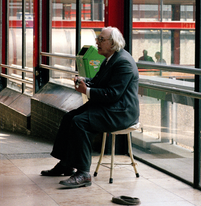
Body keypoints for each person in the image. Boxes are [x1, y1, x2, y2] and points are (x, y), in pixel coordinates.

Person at [41, 27, 140, 188]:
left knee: (80, 122)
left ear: (113, 43)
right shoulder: (111, 58)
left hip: (121, 112)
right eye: (98, 39)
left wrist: (86, 90)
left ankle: (83, 173)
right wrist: (84, 81)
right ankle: (66, 163)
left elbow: (113, 94)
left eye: (101, 39)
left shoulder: (123, 62)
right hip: (109, 107)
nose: (97, 42)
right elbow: (99, 81)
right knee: (69, 118)